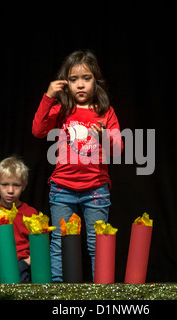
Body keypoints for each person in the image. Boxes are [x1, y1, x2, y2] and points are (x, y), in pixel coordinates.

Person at [32, 50, 123, 282]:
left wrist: (105, 138)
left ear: (96, 80)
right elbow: (38, 131)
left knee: (97, 244)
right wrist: (48, 96)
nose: (80, 85)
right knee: (60, 243)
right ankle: (58, 291)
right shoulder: (61, 110)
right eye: (74, 79)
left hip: (96, 189)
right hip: (63, 189)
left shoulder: (105, 112)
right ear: (65, 82)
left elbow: (119, 151)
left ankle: (99, 293)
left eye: (86, 78)